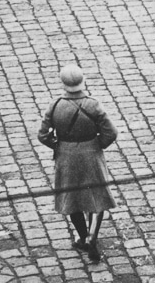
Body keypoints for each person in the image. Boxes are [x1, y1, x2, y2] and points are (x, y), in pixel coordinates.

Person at [38, 64, 119, 262]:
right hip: (91, 154)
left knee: (72, 198)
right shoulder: (93, 104)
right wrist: (97, 144)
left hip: (66, 157)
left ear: (63, 84)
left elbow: (43, 135)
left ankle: (82, 236)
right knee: (97, 197)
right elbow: (111, 132)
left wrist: (57, 145)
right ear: (83, 81)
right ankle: (93, 236)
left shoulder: (55, 105)